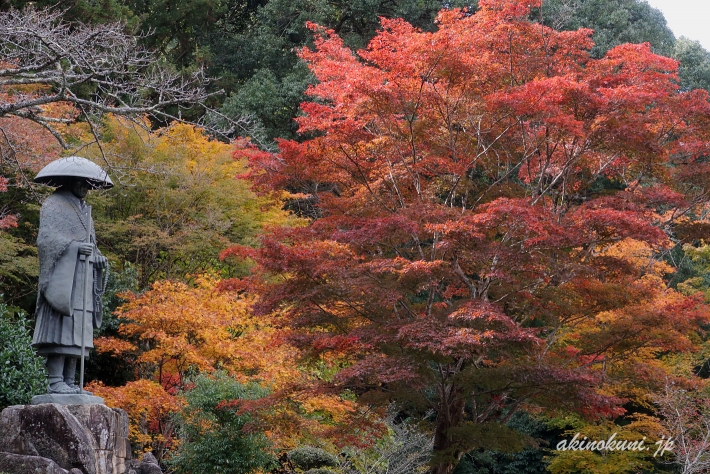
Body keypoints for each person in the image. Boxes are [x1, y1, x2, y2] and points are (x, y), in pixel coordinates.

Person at [32, 156, 112, 394]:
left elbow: (92, 244)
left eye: (89, 184)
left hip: (84, 277)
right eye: (83, 183)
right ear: (71, 181)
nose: (87, 188)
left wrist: (96, 256)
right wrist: (75, 248)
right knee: (62, 326)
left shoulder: (84, 210)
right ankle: (55, 380)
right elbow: (46, 240)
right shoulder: (53, 204)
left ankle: (70, 381)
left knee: (80, 326)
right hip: (64, 280)